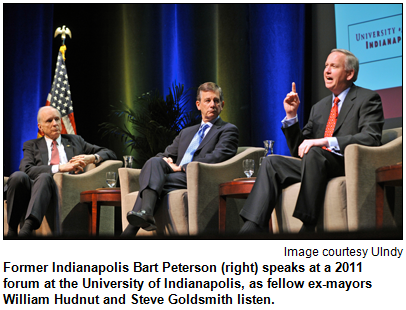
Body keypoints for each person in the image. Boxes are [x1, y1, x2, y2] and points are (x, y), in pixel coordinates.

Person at [239, 49, 384, 234]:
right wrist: (291, 116)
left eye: (334, 66)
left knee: (315, 151)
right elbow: (299, 149)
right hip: (315, 164)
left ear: (350, 73)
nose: (327, 70)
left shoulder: (367, 99)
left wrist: (325, 141)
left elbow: (371, 138)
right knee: (271, 162)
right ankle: (252, 227)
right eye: (326, 66)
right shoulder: (320, 107)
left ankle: (307, 226)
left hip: (346, 163)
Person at [123, 82, 239, 236]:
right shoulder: (186, 133)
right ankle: (145, 213)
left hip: (200, 177)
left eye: (216, 101)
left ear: (222, 105)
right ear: (198, 105)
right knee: (154, 161)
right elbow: (165, 154)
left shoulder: (228, 130)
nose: (212, 104)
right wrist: (167, 162)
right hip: (176, 176)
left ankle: (131, 229)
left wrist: (183, 167)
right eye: (208, 100)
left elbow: (218, 157)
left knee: (154, 181)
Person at [5, 106, 117, 237]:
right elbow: (26, 169)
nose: (55, 124)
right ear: (40, 127)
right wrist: (60, 167)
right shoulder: (31, 145)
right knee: (19, 176)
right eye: (49, 121)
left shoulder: (75, 141)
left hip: (65, 187)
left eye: (57, 119)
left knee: (45, 177)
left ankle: (27, 229)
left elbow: (110, 153)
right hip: (36, 188)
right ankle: (12, 230)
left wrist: (92, 157)